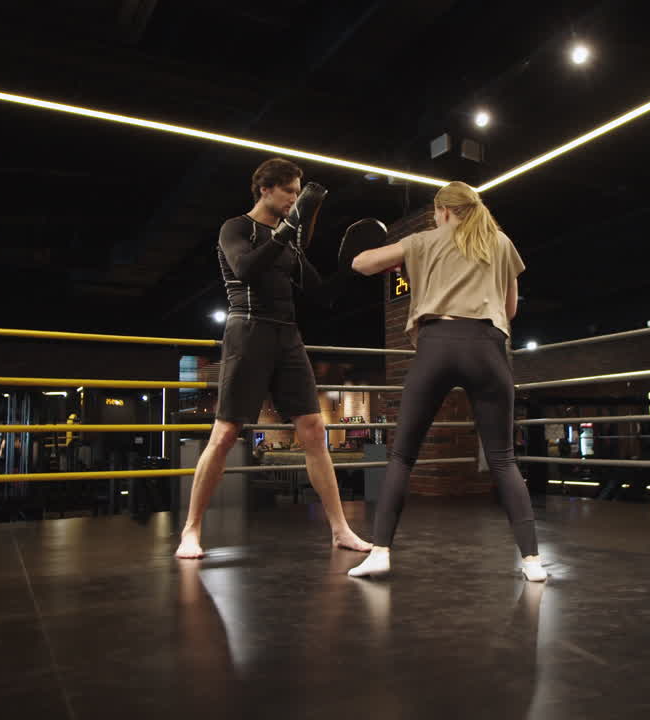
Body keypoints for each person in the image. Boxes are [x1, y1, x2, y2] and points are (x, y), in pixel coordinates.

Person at [346, 181, 545, 581]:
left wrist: (409, 260)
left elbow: (360, 264)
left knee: (402, 455)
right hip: (488, 347)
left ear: (445, 211)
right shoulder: (501, 243)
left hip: (437, 345)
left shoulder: (424, 240)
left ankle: (381, 551)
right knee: (503, 459)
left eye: (438, 213)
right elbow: (509, 309)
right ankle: (532, 562)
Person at [175, 158, 372, 558]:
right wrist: (288, 230)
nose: (294, 201)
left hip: (287, 335)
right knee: (226, 433)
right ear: (266, 189)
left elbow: (323, 293)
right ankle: (191, 531)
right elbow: (246, 268)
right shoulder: (236, 228)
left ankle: (340, 530)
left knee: (315, 431)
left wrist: (356, 264)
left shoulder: (289, 241)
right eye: (290, 193)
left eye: (299, 195)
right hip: (247, 330)